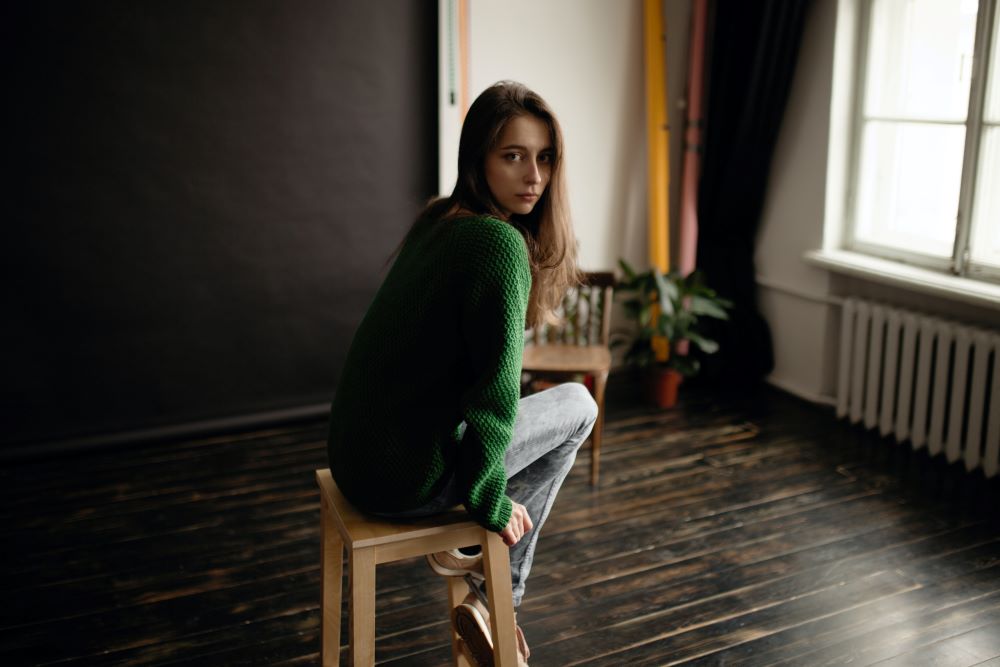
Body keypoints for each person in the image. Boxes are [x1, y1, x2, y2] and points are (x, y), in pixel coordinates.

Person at [326, 81, 597, 666]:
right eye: (513, 155)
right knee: (579, 405)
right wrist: (491, 501)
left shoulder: (439, 219)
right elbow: (495, 400)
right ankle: (497, 600)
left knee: (551, 405)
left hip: (359, 461)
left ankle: (478, 567)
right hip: (404, 480)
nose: (535, 176)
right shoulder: (496, 243)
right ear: (478, 158)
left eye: (545, 157)